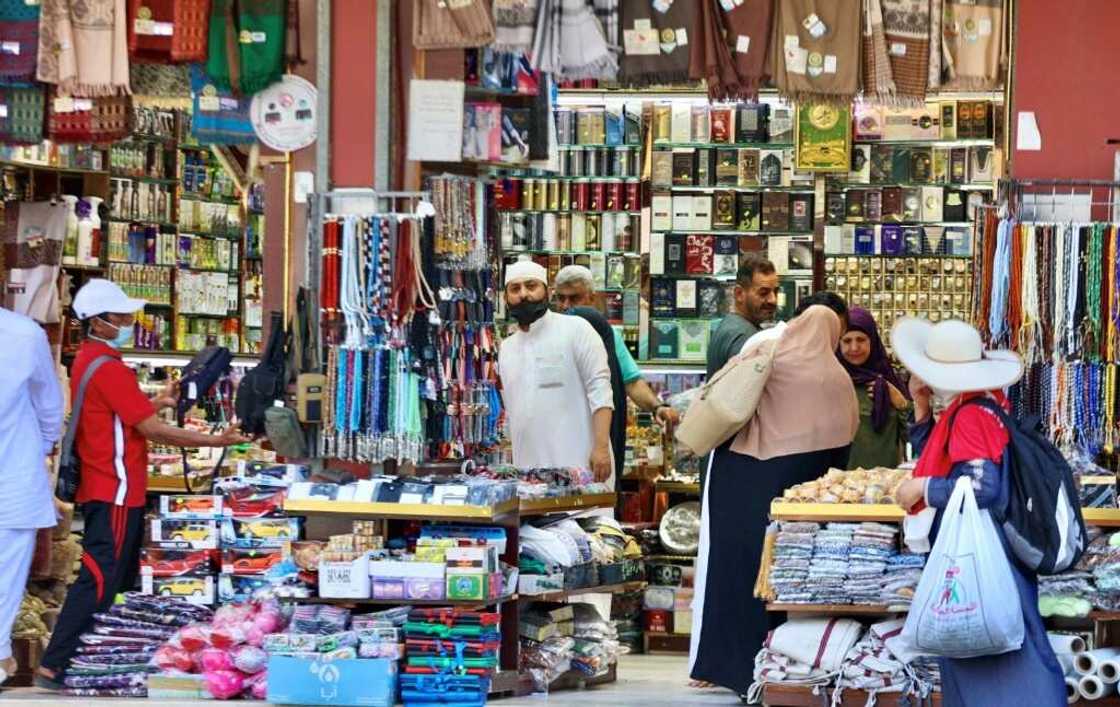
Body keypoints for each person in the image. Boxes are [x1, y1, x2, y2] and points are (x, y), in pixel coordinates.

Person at [37, 279, 251, 689]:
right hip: (114, 486)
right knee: (101, 576)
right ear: (98, 322)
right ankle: (56, 662)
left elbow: (121, 416)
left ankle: (82, 657)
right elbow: (155, 431)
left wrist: (158, 401)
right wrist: (217, 440)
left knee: (112, 576)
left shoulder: (91, 359)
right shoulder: (111, 368)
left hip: (109, 485)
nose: (128, 322)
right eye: (120, 317)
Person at [891, 318, 1066, 707]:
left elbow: (981, 486)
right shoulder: (986, 405)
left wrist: (923, 488)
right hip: (994, 543)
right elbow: (948, 457)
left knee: (988, 641)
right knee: (1006, 634)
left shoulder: (969, 416)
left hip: (982, 547)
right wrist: (922, 410)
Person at [690, 305, 859, 701]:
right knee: (779, 582)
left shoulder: (768, 352)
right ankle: (778, 669)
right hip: (797, 495)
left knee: (734, 572)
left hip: (740, 476)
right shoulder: (836, 377)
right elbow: (843, 444)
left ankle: (725, 666)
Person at [497, 261, 614, 482]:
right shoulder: (507, 348)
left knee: (586, 518)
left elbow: (601, 391)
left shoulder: (576, 329)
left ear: (547, 292)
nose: (524, 294)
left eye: (531, 286)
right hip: (529, 475)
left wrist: (601, 448)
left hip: (581, 466)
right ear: (505, 299)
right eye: (515, 288)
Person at [0, 308, 63, 684]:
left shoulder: (25, 333)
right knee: (4, 578)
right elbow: (49, 408)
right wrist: (33, 451)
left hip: (16, 480)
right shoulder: (24, 334)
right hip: (14, 481)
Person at [553, 265, 680, 429]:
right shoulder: (547, 334)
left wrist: (658, 407)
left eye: (574, 298)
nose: (565, 305)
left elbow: (632, 382)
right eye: (560, 298)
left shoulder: (607, 335)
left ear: (592, 299)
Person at [837, 307, 911, 469]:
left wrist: (899, 402)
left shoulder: (889, 381)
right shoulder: (833, 381)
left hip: (884, 484)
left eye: (861, 340)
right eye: (847, 341)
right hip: (841, 485)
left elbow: (913, 436)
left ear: (873, 341)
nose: (854, 348)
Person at [706, 254, 779, 377]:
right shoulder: (744, 337)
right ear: (739, 294)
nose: (773, 300)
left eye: (775, 292)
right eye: (763, 293)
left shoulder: (730, 324)